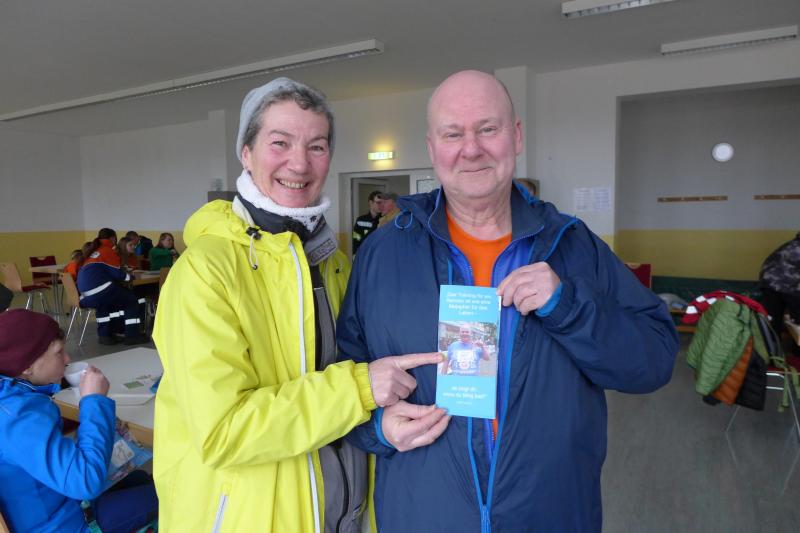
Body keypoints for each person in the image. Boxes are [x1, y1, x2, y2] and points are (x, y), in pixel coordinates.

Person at [337, 70, 679, 532]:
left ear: (516, 136)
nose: (471, 148)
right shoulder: (383, 253)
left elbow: (655, 359)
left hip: (549, 514)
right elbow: (342, 375)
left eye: (488, 129)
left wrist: (568, 307)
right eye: (453, 134)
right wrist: (377, 427)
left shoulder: (573, 246)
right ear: (432, 147)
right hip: (425, 514)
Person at [152, 77, 441, 532]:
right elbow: (224, 431)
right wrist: (360, 388)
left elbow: (342, 395)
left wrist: (381, 425)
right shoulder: (205, 271)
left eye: (317, 146)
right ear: (246, 153)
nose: (300, 163)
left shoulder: (333, 264)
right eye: (280, 142)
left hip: (341, 515)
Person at [0, 309, 158, 533]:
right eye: (59, 352)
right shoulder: (16, 418)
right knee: (168, 493)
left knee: (141, 479)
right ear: (26, 366)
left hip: (56, 502)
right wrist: (94, 402)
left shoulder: (12, 398)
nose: (67, 359)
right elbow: (85, 481)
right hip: (63, 523)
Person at [77, 228, 148, 346]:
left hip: (85, 296)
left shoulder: (94, 252)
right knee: (131, 300)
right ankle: (132, 336)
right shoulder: (107, 251)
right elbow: (118, 274)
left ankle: (105, 336)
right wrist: (131, 277)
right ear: (113, 238)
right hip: (100, 290)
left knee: (105, 304)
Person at [759, 230, 800, 334]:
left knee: (773, 320)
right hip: (782, 283)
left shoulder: (792, 244)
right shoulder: (795, 247)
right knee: (775, 320)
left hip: (769, 281)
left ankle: (773, 343)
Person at [351, 190, 384, 255]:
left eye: (382, 203)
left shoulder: (386, 220)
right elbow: (355, 242)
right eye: (378, 203)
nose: (381, 205)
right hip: (365, 255)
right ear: (370, 203)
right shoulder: (361, 220)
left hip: (380, 255)